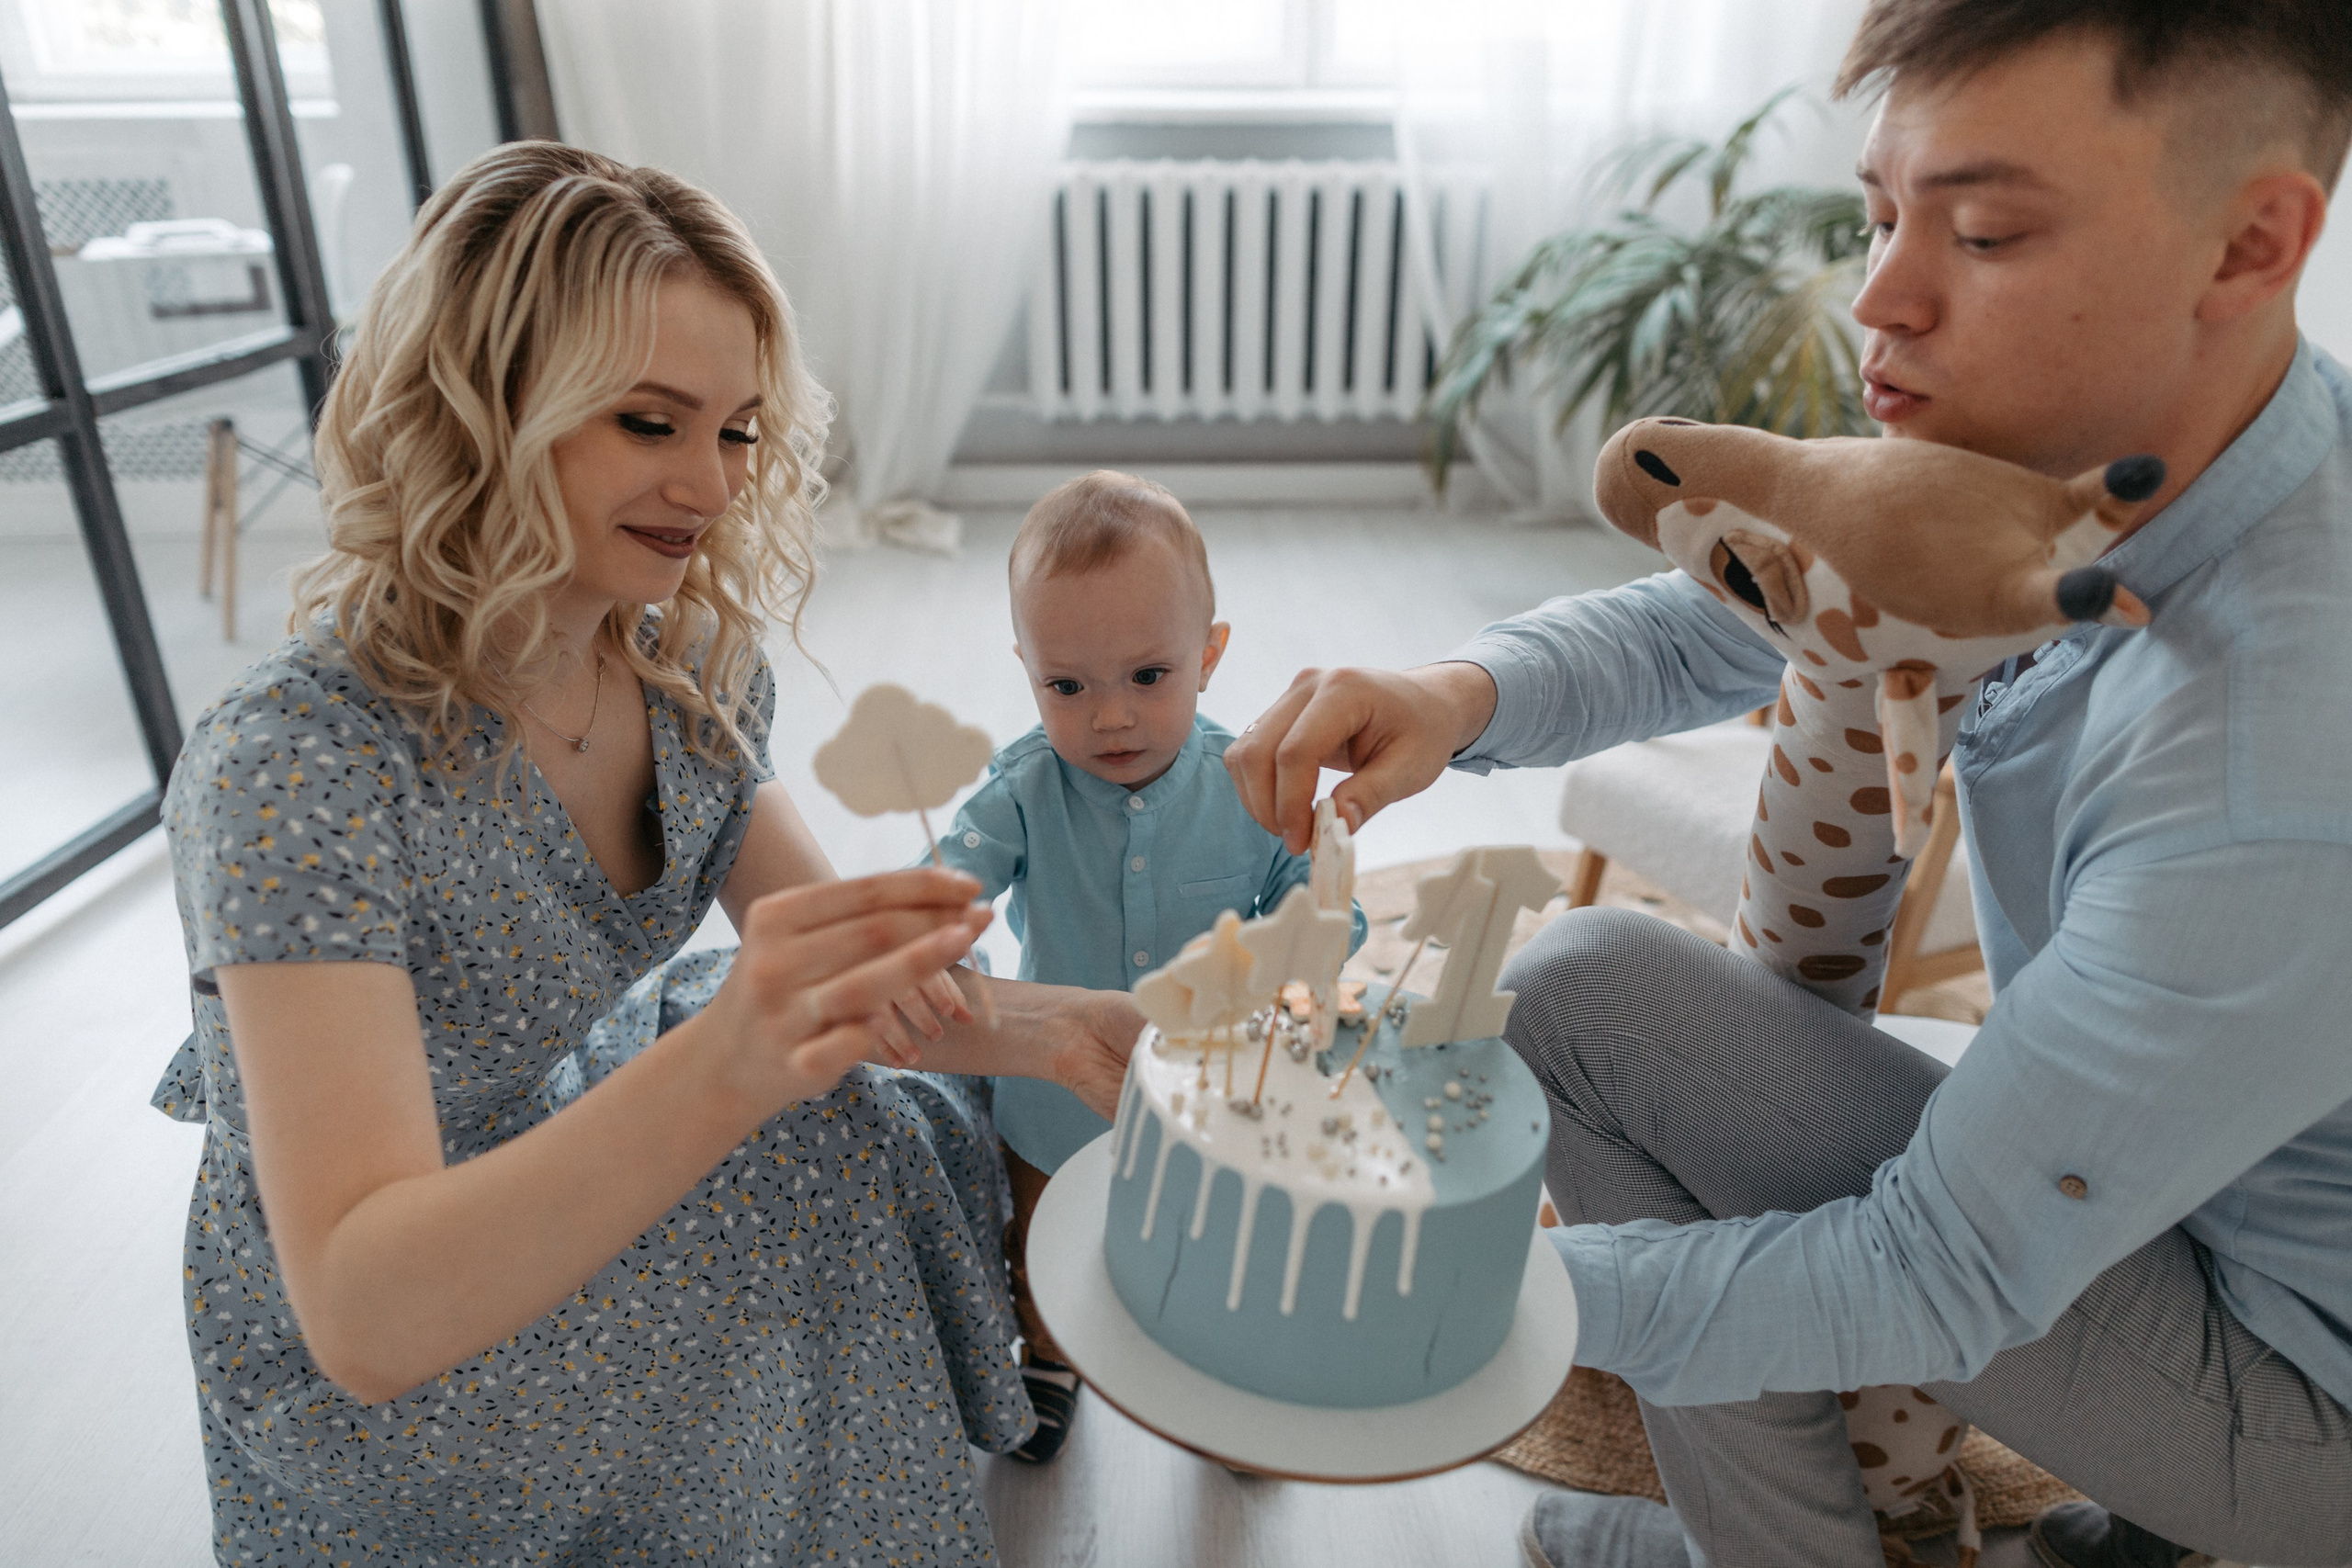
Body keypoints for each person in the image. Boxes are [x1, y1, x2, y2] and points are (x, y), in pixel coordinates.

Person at [1225, 4, 2352, 1565]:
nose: (1882, 296)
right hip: (2168, 1169)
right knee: (1582, 987)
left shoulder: (2273, 769)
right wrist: (1456, 695)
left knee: (1734, 1163)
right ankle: (1767, 1531)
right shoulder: (2125, 453)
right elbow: (1787, 587)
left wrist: (1435, 1295)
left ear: (2249, 246)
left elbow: (1929, 1268)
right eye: (1881, 212)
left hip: (2304, 1396)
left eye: (1988, 230)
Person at [147, 142, 1143, 1565]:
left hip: (559, 1131)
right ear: (482, 407)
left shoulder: (682, 673)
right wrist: (735, 1051)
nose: (713, 484)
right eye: (648, 422)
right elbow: (363, 1315)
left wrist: (1074, 1033)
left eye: (738, 430)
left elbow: (858, 975)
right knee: (795, 1140)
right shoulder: (297, 765)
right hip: (379, 1334)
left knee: (852, 1128)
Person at [926, 469, 1366, 1461]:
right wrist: (935, 917)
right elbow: (952, 872)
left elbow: (1324, 906)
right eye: (1066, 687)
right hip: (1053, 1098)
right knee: (1041, 1245)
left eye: (1148, 677)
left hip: (1218, 1091)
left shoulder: (1252, 783)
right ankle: (1047, 1358)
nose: (1110, 717)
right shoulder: (1025, 786)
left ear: (1208, 657)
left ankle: (1221, 1380)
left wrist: (1306, 957)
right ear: (1026, 669)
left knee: (1220, 1246)